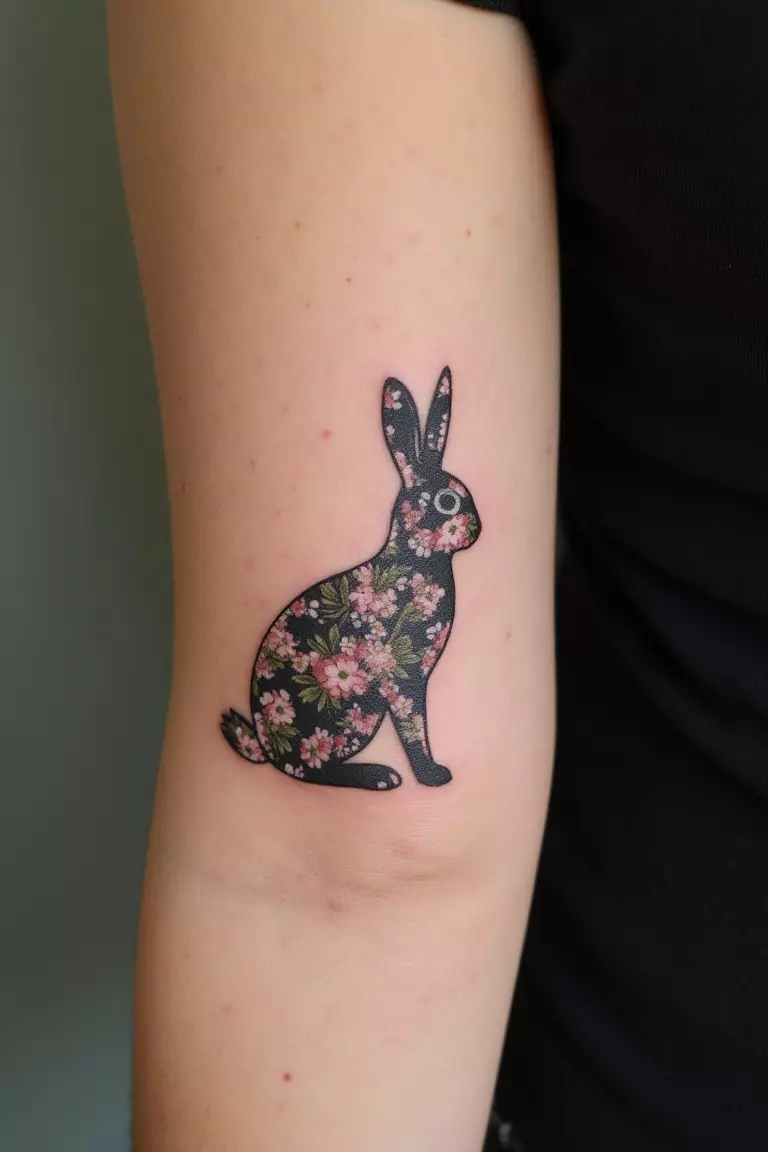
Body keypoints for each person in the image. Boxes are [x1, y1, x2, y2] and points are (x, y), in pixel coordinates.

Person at [108, 1, 768, 1149]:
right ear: (417, 496)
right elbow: (352, 860)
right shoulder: (397, 589)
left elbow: (356, 881)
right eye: (441, 502)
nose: (451, 517)